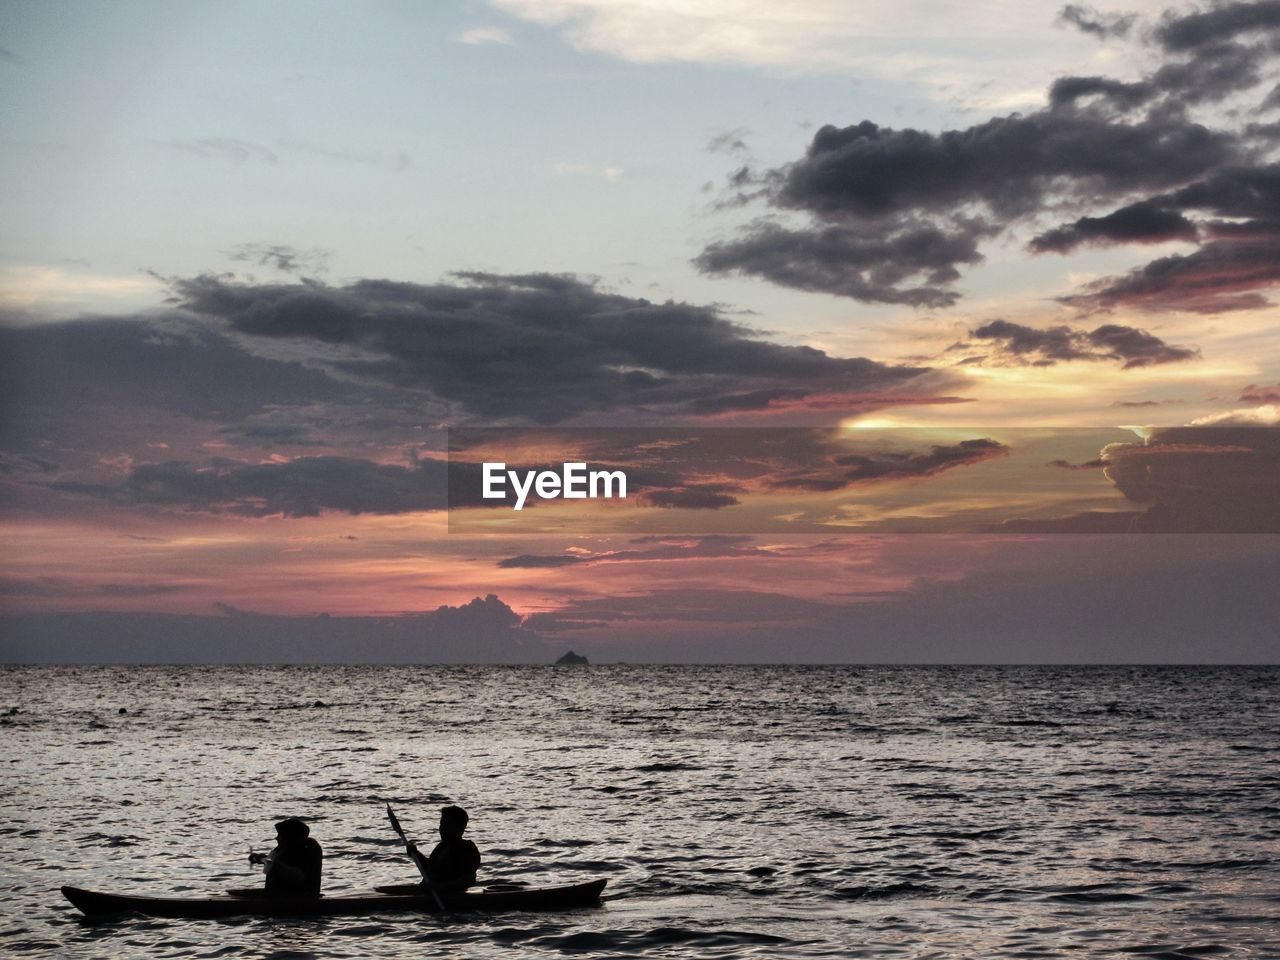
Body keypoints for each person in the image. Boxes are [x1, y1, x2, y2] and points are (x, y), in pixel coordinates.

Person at [406, 805, 480, 890]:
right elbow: (430, 868)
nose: (442, 828)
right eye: (442, 824)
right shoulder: (442, 847)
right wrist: (416, 854)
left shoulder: (467, 849)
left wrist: (439, 887)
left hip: (450, 898)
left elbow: (469, 880)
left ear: (459, 828)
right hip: (430, 894)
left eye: (447, 824)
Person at [248, 818, 323, 897]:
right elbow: (271, 862)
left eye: (280, 835)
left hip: (298, 900)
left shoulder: (303, 852)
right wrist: (257, 858)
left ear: (290, 838)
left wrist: (272, 863)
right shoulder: (286, 851)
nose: (277, 838)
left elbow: (297, 875)